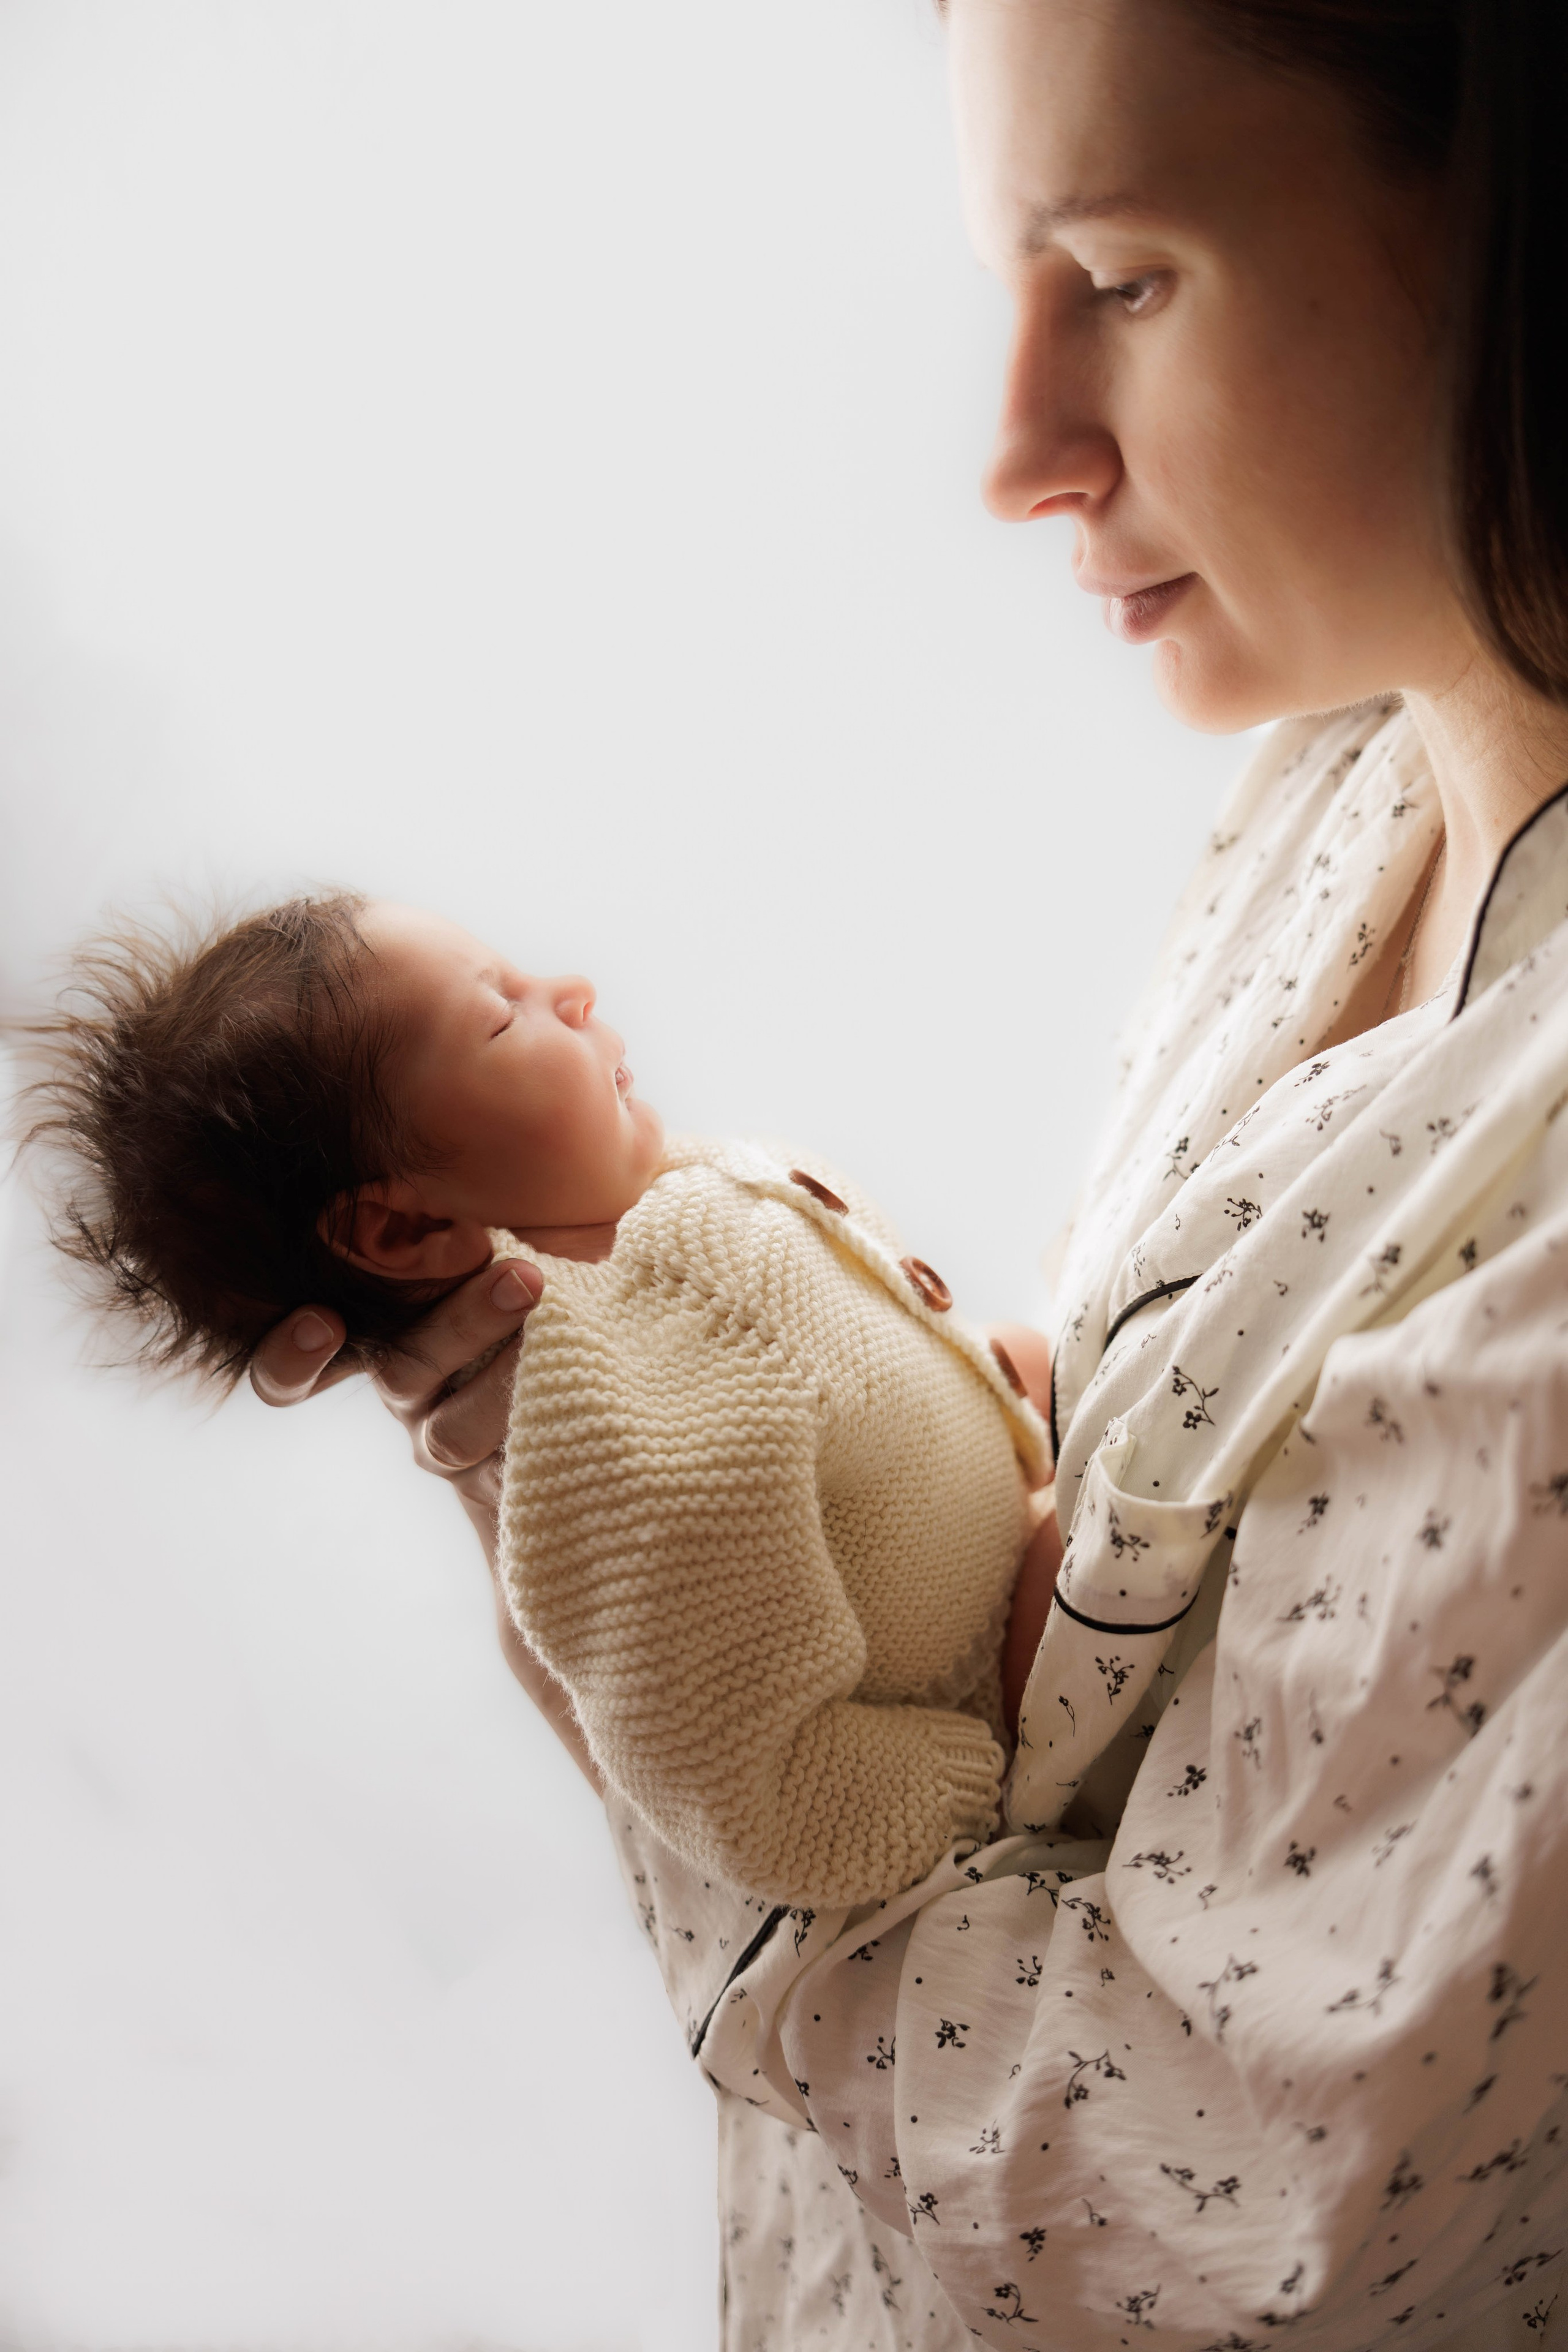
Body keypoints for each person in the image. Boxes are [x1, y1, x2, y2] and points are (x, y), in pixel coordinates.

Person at [252, 0, 1568, 2343]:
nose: (1013, 455)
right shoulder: (1348, 772)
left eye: (1129, 277)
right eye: (1012, 283)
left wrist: (626, 1632)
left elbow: (1207, 2226)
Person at [23, 890, 1055, 1908]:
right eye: (501, 1014)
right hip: (974, 1685)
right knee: (1079, 1539)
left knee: (1028, 1353)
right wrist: (972, 1766)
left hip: (959, 1505)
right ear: (404, 1230)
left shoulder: (666, 1204)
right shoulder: (625, 1430)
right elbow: (752, 1796)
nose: (572, 990)